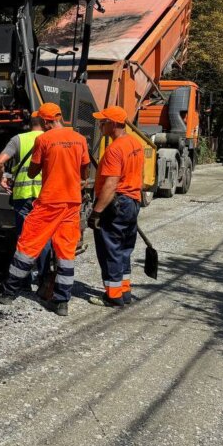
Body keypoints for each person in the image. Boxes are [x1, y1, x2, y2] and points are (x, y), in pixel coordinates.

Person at [0, 102, 90, 316]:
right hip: (72, 203)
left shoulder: (44, 139)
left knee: (27, 246)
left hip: (49, 202)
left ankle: (8, 292)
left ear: (44, 121)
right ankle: (61, 301)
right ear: (60, 117)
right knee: (66, 252)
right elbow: (85, 171)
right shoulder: (80, 139)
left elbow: (33, 172)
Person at [87, 106, 143, 308]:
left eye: (103, 121)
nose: (100, 125)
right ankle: (124, 291)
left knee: (110, 249)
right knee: (124, 249)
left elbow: (111, 183)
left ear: (113, 124)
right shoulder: (134, 143)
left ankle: (113, 296)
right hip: (132, 201)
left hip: (116, 203)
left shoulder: (114, 149)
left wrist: (97, 212)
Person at [0, 113, 51, 285]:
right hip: (44, 196)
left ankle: (22, 281)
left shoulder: (18, 139)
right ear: (44, 122)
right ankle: (44, 278)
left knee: (24, 238)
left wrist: (1, 179)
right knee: (44, 238)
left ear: (30, 123)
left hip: (22, 197)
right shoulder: (51, 139)